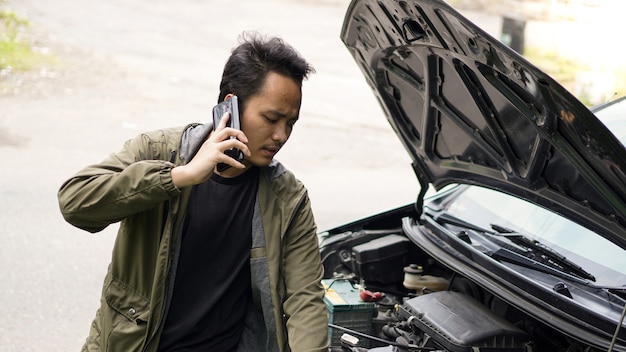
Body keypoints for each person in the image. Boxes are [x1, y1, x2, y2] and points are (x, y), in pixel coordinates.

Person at [58, 32, 329, 352]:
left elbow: (305, 301)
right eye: (271, 119)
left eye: (291, 123)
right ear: (231, 105)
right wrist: (177, 177)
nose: (281, 135)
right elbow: (74, 202)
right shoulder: (157, 151)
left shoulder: (288, 198)